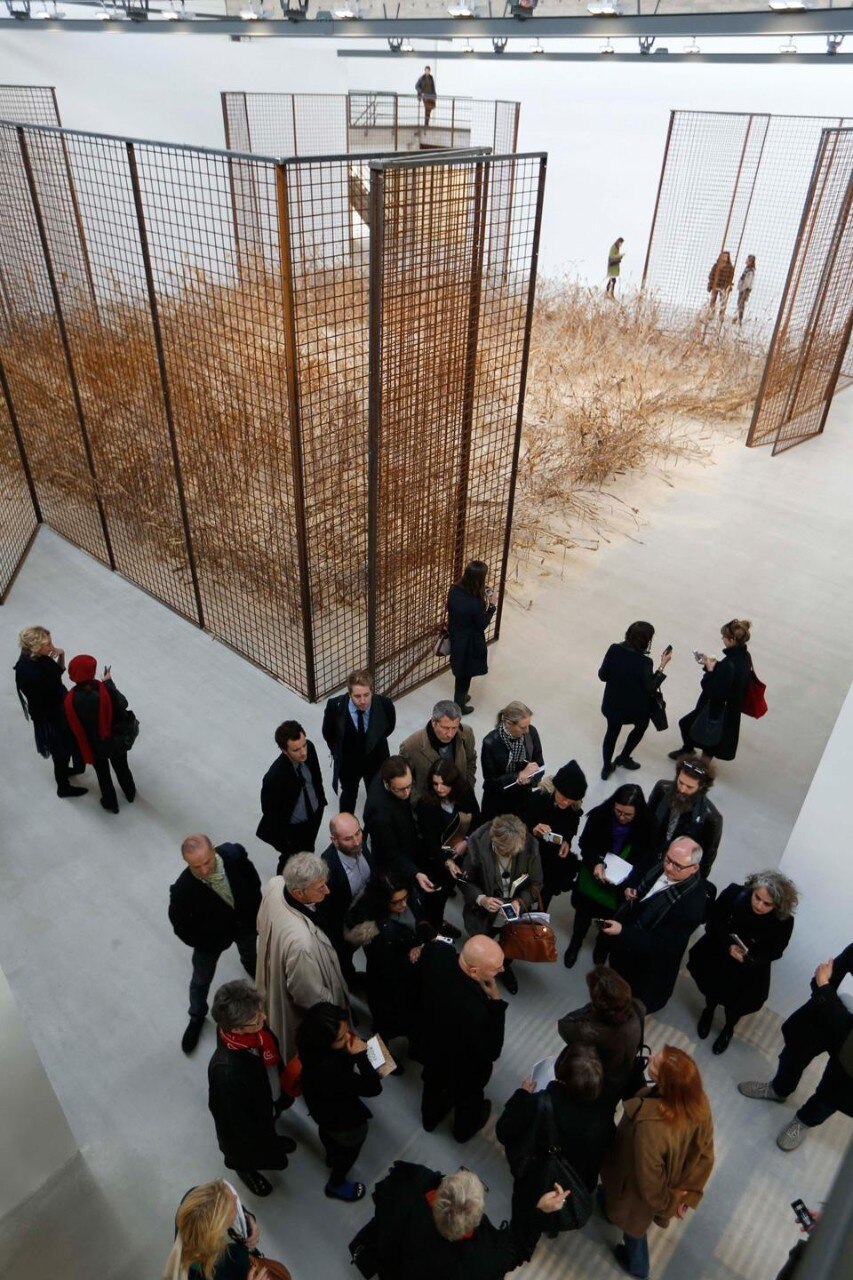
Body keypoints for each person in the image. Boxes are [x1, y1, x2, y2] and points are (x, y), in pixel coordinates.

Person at [600, 1045, 715, 1280]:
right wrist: (687, 1195)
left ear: (666, 1083)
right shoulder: (698, 1101)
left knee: (633, 1229)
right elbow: (705, 1152)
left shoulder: (650, 1128)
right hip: (663, 1183)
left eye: (654, 1063)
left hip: (634, 1191)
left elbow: (650, 1185)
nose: (650, 1057)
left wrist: (671, 1203)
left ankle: (638, 1268)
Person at [738, 943, 853, 1151]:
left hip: (850, 1048)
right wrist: (824, 987)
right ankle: (778, 1089)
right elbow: (821, 979)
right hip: (830, 1014)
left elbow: (823, 983)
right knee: (793, 1053)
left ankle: (803, 1121)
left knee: (832, 1095)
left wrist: (824, 988)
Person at [368, 1162, 570, 1279]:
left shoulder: (406, 1186)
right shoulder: (484, 1260)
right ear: (476, 1219)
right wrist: (540, 1212)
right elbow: (517, 1249)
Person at [497, 1045, 615, 1227]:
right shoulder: (604, 1108)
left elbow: (504, 1131)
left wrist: (522, 1096)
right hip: (577, 1181)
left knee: (529, 1213)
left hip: (538, 1176)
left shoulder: (540, 1103)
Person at [169, 834, 263, 1055]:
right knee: (201, 979)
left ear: (213, 850)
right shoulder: (182, 890)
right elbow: (181, 926)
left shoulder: (234, 855)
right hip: (210, 941)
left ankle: (250, 963)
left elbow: (253, 882)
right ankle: (197, 1015)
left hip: (244, 924)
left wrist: (254, 913)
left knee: (250, 950)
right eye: (195, 866)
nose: (203, 871)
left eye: (207, 862)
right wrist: (205, 941)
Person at [688, 870, 797, 1055]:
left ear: (777, 905)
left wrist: (751, 958)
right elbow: (714, 923)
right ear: (752, 889)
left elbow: (776, 950)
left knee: (737, 1004)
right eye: (757, 898)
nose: (760, 906)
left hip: (749, 969)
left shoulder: (784, 921)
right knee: (712, 988)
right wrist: (728, 946)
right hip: (719, 955)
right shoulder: (733, 894)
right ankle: (709, 1011)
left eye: (767, 904)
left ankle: (729, 1027)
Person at [255, 853, 349, 1060]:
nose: (327, 890)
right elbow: (309, 995)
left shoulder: (276, 883)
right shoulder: (302, 944)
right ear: (298, 893)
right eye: (320, 888)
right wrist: (337, 1013)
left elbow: (260, 923)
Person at [207, 980, 297, 1198]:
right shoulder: (225, 1074)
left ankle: (271, 1138)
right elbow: (231, 1125)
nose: (263, 1018)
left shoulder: (253, 1030)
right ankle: (245, 1169)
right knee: (249, 1152)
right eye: (256, 1018)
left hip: (268, 1098)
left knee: (270, 1125)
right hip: (249, 1127)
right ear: (236, 1029)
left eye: (260, 1012)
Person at [599, 837, 707, 1015]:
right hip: (626, 945)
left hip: (647, 967)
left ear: (694, 868)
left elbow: (663, 944)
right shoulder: (662, 862)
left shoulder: (692, 905)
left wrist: (622, 931)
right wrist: (629, 887)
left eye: (677, 866)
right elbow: (638, 872)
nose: (668, 867)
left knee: (628, 1006)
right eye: (668, 860)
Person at [419, 935, 507, 1142]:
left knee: (432, 1086)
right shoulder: (478, 1010)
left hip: (433, 1049)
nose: (501, 971)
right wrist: (496, 1001)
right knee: (468, 1101)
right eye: (496, 968)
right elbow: (492, 1050)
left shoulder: (438, 955)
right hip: (465, 1068)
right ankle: (462, 1132)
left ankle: (429, 1120)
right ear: (474, 971)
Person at [296, 1001, 382, 1203]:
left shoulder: (308, 1042)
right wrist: (362, 1055)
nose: (349, 1037)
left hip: (321, 1111)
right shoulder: (332, 1071)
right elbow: (374, 1088)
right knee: (348, 1153)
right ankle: (336, 1183)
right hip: (345, 1122)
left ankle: (331, 1155)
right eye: (341, 1038)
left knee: (328, 1136)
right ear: (325, 1042)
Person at [565, 784, 653, 969]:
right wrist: (595, 863)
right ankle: (575, 944)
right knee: (583, 916)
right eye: (618, 811)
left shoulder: (648, 827)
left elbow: (646, 861)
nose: (622, 817)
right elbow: (585, 843)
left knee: (609, 921)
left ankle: (601, 949)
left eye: (628, 814)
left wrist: (631, 883)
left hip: (619, 887)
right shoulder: (600, 816)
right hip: (592, 877)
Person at [459, 813, 543, 995]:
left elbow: (537, 884)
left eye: (515, 853)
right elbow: (465, 882)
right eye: (505, 852)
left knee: (510, 943)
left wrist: (520, 902)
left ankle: (503, 966)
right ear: (494, 841)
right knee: (481, 943)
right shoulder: (476, 845)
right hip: (482, 913)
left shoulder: (529, 847)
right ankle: (476, 974)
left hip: (512, 914)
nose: (510, 855)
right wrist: (482, 899)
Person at [344, 875, 428, 1055]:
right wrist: (417, 951)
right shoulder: (374, 931)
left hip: (404, 981)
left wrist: (419, 944)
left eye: (405, 899)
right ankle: (378, 1063)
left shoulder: (404, 902)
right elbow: (385, 964)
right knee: (383, 1027)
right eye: (396, 902)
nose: (404, 905)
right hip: (387, 983)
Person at [163, 1179, 291, 1280]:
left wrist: (246, 1217)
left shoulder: (191, 1202)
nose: (236, 1199)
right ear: (217, 1235)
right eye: (234, 1207)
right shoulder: (216, 1272)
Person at [13, 625, 86, 799]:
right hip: (51, 715)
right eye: (48, 644)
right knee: (60, 750)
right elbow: (53, 684)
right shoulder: (30, 672)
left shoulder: (37, 658)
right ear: (37, 647)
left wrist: (61, 654)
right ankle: (63, 787)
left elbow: (58, 673)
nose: (51, 646)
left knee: (62, 748)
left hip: (54, 708)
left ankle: (66, 770)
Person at [556, 965, 645, 1104]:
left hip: (600, 1083)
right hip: (625, 1075)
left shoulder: (590, 1032)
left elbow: (563, 1025)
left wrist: (592, 1008)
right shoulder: (639, 1008)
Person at [63, 653, 136, 813]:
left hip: (94, 746)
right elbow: (123, 703)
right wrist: (109, 682)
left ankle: (111, 802)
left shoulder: (70, 700)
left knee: (103, 775)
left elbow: (72, 726)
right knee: (122, 768)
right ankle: (130, 793)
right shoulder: (106, 690)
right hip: (115, 739)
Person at [598, 621, 670, 780]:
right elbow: (651, 687)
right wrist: (662, 665)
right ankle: (624, 757)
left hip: (613, 704)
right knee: (641, 726)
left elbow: (602, 675)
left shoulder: (614, 649)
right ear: (646, 640)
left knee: (612, 732)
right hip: (635, 709)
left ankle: (606, 767)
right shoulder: (645, 662)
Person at [673, 619, 753, 762]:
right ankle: (691, 753)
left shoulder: (730, 663)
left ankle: (695, 761)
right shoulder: (744, 657)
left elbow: (713, 691)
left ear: (732, 639)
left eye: (724, 636)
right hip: (730, 708)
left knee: (692, 728)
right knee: (709, 740)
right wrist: (712, 665)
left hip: (717, 709)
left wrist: (710, 671)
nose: (722, 638)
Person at [415, 757, 480, 930]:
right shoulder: (426, 804)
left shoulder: (464, 793)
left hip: (461, 853)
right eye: (435, 784)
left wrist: (466, 842)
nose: (439, 789)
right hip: (436, 857)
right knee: (437, 896)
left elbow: (476, 819)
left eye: (444, 784)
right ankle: (435, 925)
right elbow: (430, 840)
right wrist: (447, 861)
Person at [321, 669, 396, 814]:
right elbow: (328, 733)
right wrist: (338, 752)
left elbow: (387, 728)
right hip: (349, 763)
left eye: (366, 695)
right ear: (349, 694)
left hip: (376, 761)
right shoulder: (334, 707)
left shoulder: (385, 705)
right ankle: (346, 829)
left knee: (376, 797)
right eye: (357, 696)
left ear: (372, 691)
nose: (363, 701)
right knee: (348, 795)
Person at [256, 720, 327, 872]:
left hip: (314, 813)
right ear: (284, 750)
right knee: (290, 858)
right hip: (294, 828)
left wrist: (320, 803)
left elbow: (316, 777)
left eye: (304, 745)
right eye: (296, 750)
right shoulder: (274, 777)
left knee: (308, 848)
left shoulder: (310, 748)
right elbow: (270, 812)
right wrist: (286, 839)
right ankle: (283, 882)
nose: (303, 752)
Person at [362, 756, 436, 897]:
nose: (407, 793)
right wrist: (415, 873)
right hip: (393, 860)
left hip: (406, 836)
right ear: (387, 783)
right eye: (401, 789)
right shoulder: (380, 815)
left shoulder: (394, 771)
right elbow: (392, 854)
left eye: (409, 786)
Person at [319, 812, 375, 987]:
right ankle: (350, 980)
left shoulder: (359, 844)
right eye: (348, 839)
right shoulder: (326, 870)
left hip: (368, 911)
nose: (357, 842)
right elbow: (327, 913)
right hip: (345, 925)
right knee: (344, 956)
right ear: (334, 840)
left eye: (358, 833)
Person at [522, 760, 586, 909]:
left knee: (547, 892)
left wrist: (567, 842)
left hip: (553, 857)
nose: (565, 803)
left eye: (571, 801)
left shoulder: (573, 808)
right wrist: (533, 828)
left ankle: (539, 917)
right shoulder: (538, 798)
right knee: (525, 891)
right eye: (563, 797)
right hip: (530, 852)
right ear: (556, 788)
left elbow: (572, 826)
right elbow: (519, 821)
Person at [648, 756, 722, 877]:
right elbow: (646, 819)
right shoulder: (662, 789)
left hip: (677, 867)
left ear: (702, 787)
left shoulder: (711, 819)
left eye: (689, 787)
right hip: (651, 852)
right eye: (680, 782)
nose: (682, 789)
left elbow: (706, 860)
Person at [399, 699, 477, 804]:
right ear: (433, 721)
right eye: (445, 728)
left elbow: (471, 760)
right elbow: (405, 781)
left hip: (460, 798)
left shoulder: (466, 733)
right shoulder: (410, 746)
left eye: (454, 728)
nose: (450, 734)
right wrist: (422, 804)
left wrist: (467, 787)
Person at [480, 701, 544, 822]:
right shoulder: (490, 742)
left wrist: (530, 778)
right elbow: (491, 781)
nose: (526, 731)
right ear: (508, 723)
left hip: (522, 799)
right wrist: (518, 776)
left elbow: (540, 764)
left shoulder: (531, 733)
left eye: (528, 725)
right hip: (497, 802)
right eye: (522, 727)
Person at [447, 559, 496, 714]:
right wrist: (492, 606)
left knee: (460, 670)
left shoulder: (454, 589)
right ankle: (459, 705)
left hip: (456, 636)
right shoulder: (476, 603)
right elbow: (482, 624)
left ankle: (461, 698)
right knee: (465, 674)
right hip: (469, 642)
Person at [737, 254, 756, 323]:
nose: (746, 261)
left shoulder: (750, 270)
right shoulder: (747, 268)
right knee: (739, 303)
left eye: (747, 260)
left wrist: (743, 288)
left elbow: (747, 281)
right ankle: (738, 317)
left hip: (745, 289)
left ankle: (740, 319)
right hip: (743, 288)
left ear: (750, 261)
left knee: (741, 303)